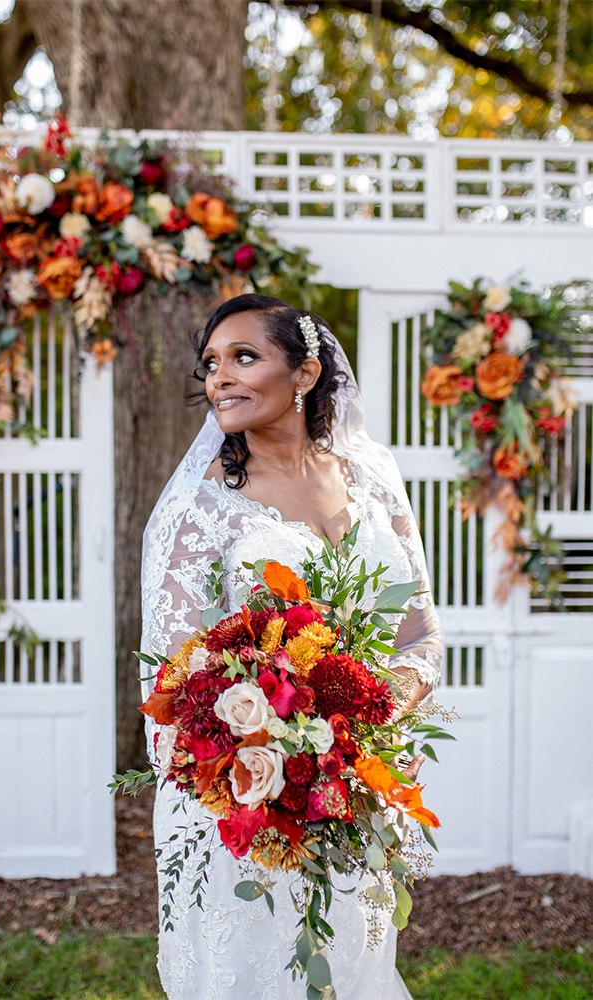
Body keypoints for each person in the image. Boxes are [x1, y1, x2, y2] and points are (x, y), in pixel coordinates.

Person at [140, 294, 443, 1000]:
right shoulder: (198, 510)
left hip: (357, 789)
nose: (221, 378)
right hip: (245, 804)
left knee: (349, 971)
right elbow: (169, 687)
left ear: (305, 374)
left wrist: (368, 721)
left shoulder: (373, 478)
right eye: (211, 364)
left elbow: (420, 633)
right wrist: (277, 765)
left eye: (245, 358)